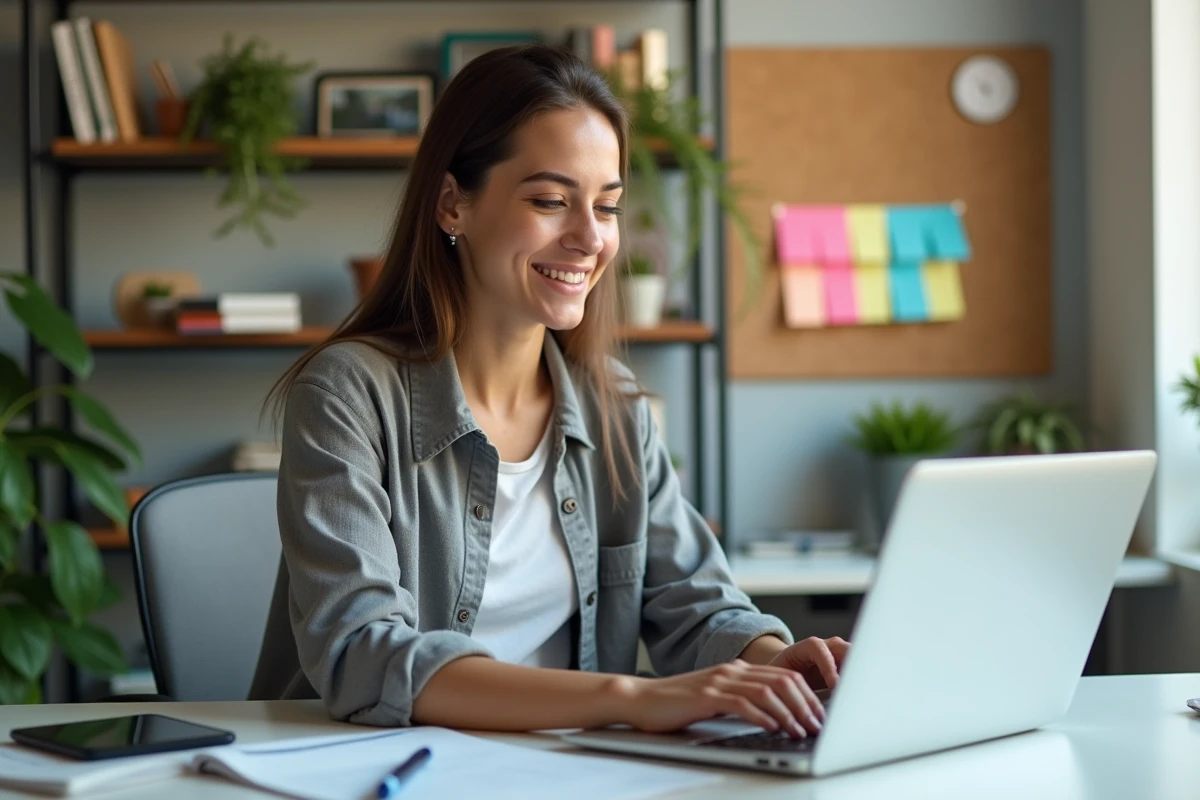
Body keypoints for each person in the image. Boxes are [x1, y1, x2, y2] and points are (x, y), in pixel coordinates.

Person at [252, 43, 849, 740]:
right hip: (359, 768)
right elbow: (362, 654)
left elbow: (696, 603)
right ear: (452, 205)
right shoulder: (349, 393)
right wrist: (632, 698)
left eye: (608, 206)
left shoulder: (616, 407)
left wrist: (778, 664)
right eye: (550, 200)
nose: (589, 238)